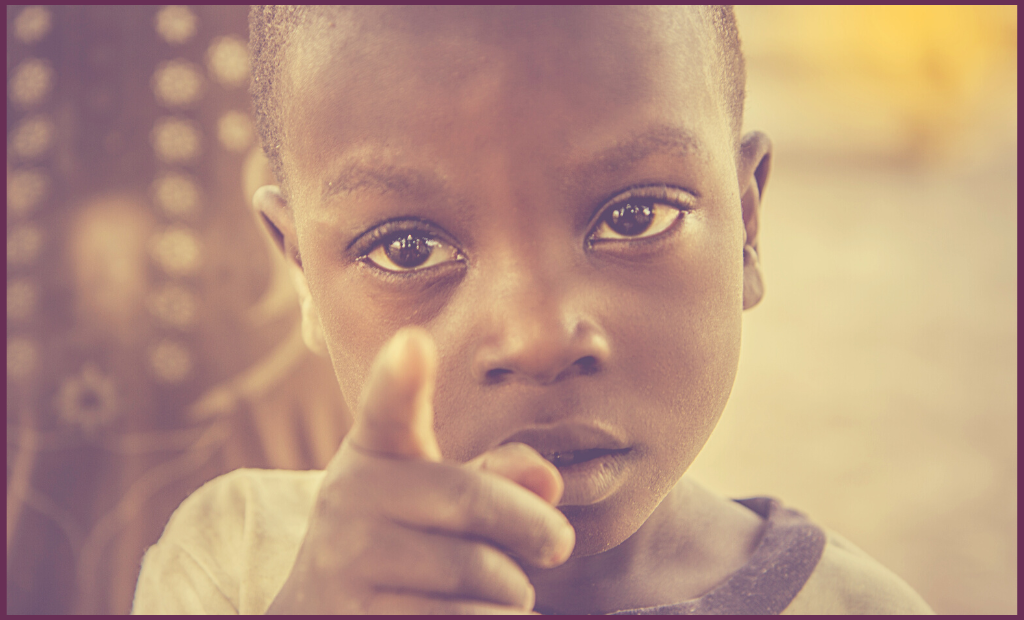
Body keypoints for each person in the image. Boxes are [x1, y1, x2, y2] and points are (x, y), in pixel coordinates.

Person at [132, 6, 934, 614]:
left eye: (635, 216)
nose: (540, 334)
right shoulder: (234, 557)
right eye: (407, 248)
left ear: (748, 228)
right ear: (301, 270)